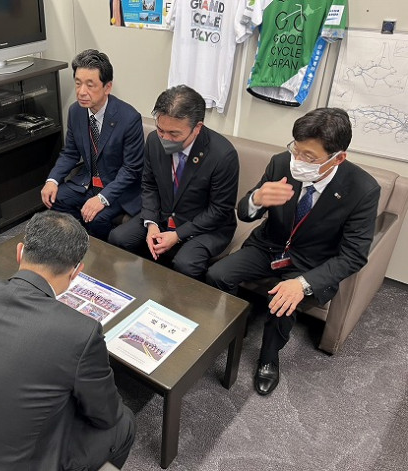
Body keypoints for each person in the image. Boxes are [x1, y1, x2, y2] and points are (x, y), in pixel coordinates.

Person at [0, 211, 135, 471]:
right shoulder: (81, 331)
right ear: (76, 272)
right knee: (124, 422)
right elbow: (106, 414)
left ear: (20, 252)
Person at [206, 108, 380, 396]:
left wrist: (302, 284)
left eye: (309, 157)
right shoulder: (281, 163)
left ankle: (268, 358)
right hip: (269, 245)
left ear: (338, 158)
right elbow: (246, 213)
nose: (298, 161)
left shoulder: (362, 189)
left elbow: (353, 255)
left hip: (312, 262)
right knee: (217, 274)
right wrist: (255, 199)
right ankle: (235, 327)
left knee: (282, 301)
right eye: (296, 150)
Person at [108, 85, 239, 280]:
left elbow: (219, 210)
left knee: (185, 264)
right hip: (163, 216)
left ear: (197, 128)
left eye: (174, 134)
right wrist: (151, 223)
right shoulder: (154, 140)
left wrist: (177, 234)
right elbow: (149, 185)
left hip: (205, 226)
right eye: (161, 130)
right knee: (118, 238)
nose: (165, 139)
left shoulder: (223, 155)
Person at [41, 49, 144, 241]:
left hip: (117, 188)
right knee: (55, 199)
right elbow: (70, 153)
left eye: (90, 85)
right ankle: (77, 242)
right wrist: (52, 180)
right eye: (78, 83)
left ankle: (101, 252)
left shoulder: (129, 118)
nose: (82, 92)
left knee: (96, 219)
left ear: (107, 87)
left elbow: (131, 170)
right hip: (87, 182)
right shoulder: (76, 111)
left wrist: (103, 198)